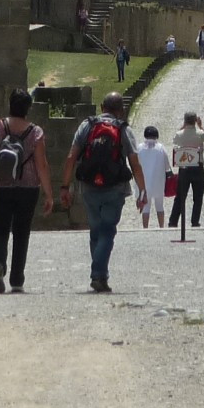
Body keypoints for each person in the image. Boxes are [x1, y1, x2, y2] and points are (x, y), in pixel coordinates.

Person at [60, 92, 147, 293]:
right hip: (115, 188)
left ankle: (100, 273)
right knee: (108, 230)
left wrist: (65, 186)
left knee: (95, 229)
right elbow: (135, 163)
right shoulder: (123, 129)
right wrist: (142, 191)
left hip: (89, 186)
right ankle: (98, 274)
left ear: (102, 107)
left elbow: (71, 156)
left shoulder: (87, 125)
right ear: (121, 110)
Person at [0, 88, 53, 293]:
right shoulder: (35, 132)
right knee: (22, 232)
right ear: (28, 108)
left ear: (10, 104)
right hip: (27, 188)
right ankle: (17, 278)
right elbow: (42, 165)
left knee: (0, 229)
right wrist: (48, 193)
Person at [168, 110, 204, 229]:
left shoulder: (180, 134)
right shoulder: (200, 133)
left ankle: (173, 221)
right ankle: (195, 221)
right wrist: (201, 126)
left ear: (185, 121)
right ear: (195, 120)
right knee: (198, 196)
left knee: (180, 196)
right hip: (198, 166)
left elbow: (175, 139)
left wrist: (183, 126)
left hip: (184, 167)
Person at [133, 124, 171, 229]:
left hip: (143, 182)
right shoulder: (161, 148)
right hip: (158, 181)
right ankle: (161, 226)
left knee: (146, 207)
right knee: (160, 205)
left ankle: (145, 227)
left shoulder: (139, 148)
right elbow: (167, 165)